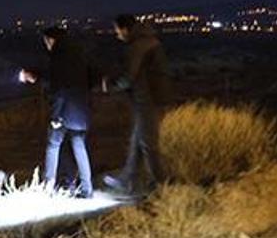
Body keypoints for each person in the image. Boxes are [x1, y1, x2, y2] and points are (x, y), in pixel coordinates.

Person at [20, 26, 97, 198]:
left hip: (64, 112)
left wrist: (56, 116)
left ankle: (48, 187)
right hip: (82, 111)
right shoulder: (78, 54)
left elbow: (58, 89)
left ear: (51, 40)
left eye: (46, 42)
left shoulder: (57, 58)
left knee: (53, 146)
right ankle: (87, 189)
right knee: (79, 147)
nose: (46, 45)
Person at [102, 14, 172, 196]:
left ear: (125, 29)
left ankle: (163, 186)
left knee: (148, 143)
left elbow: (129, 76)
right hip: (152, 99)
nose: (116, 34)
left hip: (148, 101)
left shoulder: (138, 46)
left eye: (117, 30)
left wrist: (110, 85)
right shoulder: (148, 41)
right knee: (138, 141)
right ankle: (127, 180)